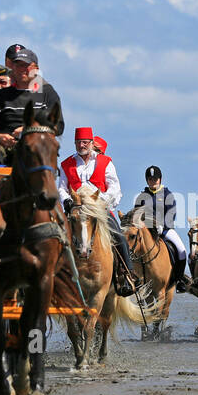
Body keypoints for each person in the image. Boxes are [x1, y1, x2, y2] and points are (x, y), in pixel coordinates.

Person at [58, 127, 136, 297]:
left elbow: (115, 188)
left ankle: (128, 275)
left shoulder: (105, 161)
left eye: (85, 142)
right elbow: (61, 188)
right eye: (78, 142)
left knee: (119, 236)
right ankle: (51, 277)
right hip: (76, 209)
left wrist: (101, 202)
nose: (81, 145)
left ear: (92, 143)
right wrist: (67, 201)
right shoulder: (66, 164)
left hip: (98, 209)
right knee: (54, 235)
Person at [0, 44, 65, 161]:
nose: (22, 69)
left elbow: (58, 126)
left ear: (36, 69)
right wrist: (1, 137)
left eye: (26, 65)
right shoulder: (1, 95)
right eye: (18, 65)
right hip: (3, 146)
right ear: (13, 68)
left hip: (36, 143)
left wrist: (27, 130)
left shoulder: (47, 92)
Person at [132, 166, 192, 291]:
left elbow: (172, 213)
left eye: (155, 179)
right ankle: (134, 277)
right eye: (150, 179)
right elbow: (136, 214)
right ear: (147, 180)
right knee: (131, 248)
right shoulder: (141, 197)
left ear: (160, 179)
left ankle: (179, 279)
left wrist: (162, 225)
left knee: (182, 251)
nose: (153, 181)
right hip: (146, 232)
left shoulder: (167, 194)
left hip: (165, 230)